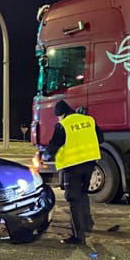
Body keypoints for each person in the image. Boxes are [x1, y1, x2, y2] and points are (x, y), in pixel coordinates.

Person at [46, 101, 103, 245]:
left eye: (58, 116)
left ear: (61, 114)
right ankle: (88, 225)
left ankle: (78, 236)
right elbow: (101, 139)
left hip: (73, 167)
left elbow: (54, 145)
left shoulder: (63, 125)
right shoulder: (89, 120)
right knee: (83, 194)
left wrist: (45, 155)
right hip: (90, 164)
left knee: (73, 199)